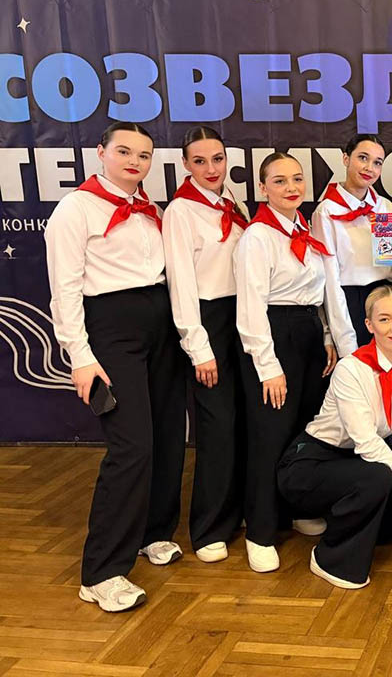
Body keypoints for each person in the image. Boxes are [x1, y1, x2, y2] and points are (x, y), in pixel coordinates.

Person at [44, 122, 186, 612]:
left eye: (143, 155)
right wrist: (80, 356)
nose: (134, 162)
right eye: (124, 151)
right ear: (100, 152)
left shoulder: (153, 210)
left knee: (167, 435)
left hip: (160, 324)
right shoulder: (75, 208)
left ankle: (153, 532)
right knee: (132, 447)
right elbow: (64, 289)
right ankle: (102, 572)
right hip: (111, 330)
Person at [277, 286, 392, 588]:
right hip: (310, 462)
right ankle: (330, 559)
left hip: (353, 463)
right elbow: (367, 442)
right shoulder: (351, 369)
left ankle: (338, 518)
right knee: (378, 477)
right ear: (369, 325)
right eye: (385, 319)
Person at [235, 152, 338, 573]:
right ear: (263, 188)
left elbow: (318, 292)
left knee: (303, 427)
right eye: (279, 181)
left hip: (309, 333)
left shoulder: (305, 230)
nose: (291, 187)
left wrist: (326, 336)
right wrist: (269, 366)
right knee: (269, 433)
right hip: (274, 337)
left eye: (297, 179)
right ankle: (260, 530)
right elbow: (251, 309)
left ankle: (297, 507)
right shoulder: (257, 238)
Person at [163, 126, 249, 563]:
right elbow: (181, 284)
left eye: (217, 159)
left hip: (244, 317)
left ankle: (240, 510)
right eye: (199, 161)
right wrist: (198, 347)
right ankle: (208, 526)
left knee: (245, 421)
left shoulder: (234, 201)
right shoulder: (180, 211)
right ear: (185, 164)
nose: (211, 168)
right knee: (217, 426)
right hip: (208, 321)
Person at [312, 134, 392, 350]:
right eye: (363, 158)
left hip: (386, 297)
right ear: (346, 159)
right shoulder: (326, 211)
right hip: (349, 302)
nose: (369, 168)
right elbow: (330, 278)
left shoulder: (386, 207)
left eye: (377, 163)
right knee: (356, 365)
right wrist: (343, 339)